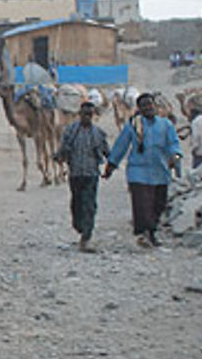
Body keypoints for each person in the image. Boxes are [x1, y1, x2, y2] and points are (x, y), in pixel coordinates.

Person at [104, 92, 182, 248]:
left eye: (150, 104)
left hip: (160, 171)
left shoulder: (165, 125)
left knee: (158, 204)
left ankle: (151, 232)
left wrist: (175, 156)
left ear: (155, 106)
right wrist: (111, 166)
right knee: (141, 204)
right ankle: (145, 234)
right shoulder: (133, 126)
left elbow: (174, 144)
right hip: (138, 172)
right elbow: (121, 146)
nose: (148, 108)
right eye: (144, 105)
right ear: (139, 108)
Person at [54, 101, 109, 252]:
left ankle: (86, 236)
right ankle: (80, 226)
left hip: (91, 174)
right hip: (76, 173)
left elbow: (106, 151)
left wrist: (111, 165)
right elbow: (63, 149)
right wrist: (58, 157)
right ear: (79, 114)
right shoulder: (70, 131)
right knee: (77, 203)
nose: (87, 117)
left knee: (90, 205)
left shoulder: (98, 133)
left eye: (90, 114)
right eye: (84, 114)